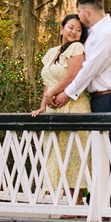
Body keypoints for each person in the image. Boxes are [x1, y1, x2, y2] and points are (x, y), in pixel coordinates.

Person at [47, 0, 111, 205]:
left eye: (79, 13)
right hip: (98, 98)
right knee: (99, 151)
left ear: (86, 12)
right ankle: (98, 198)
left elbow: (89, 69)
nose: (78, 19)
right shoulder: (94, 33)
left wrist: (67, 93)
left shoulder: (108, 33)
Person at [37, 13, 90, 202]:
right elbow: (47, 81)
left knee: (74, 153)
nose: (74, 32)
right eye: (71, 28)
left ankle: (76, 202)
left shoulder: (77, 48)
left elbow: (72, 75)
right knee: (56, 152)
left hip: (73, 105)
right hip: (54, 108)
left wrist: (52, 94)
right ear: (61, 29)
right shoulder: (52, 52)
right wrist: (43, 104)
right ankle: (66, 199)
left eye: (79, 29)